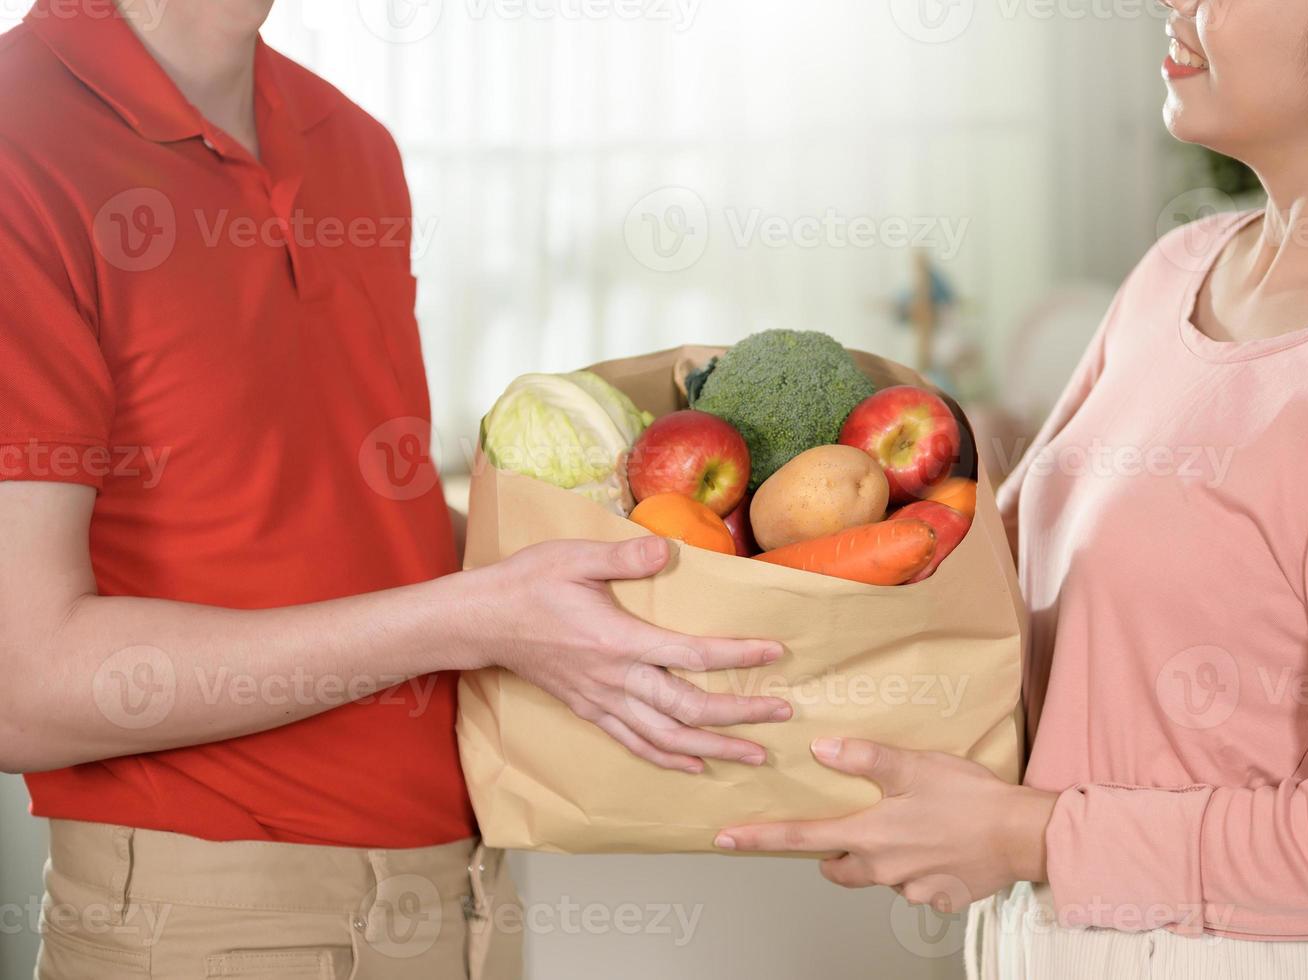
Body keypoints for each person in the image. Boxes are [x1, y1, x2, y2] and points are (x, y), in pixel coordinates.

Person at [0, 1, 791, 976]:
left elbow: (360, 519)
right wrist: (473, 617)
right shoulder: (20, 136)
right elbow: (19, 683)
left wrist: (640, 573)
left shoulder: (348, 142)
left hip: (462, 896)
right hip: (208, 923)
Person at [716, 0, 1308, 976]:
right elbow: (994, 572)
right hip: (1034, 933)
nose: (1178, 4)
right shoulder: (1176, 273)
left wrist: (1034, 838)